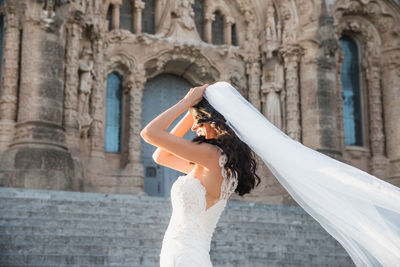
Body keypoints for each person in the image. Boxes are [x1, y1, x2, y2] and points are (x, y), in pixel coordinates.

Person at [140, 84, 261, 266]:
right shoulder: (222, 164)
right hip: (187, 255)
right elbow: (160, 156)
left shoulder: (212, 155)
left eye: (198, 121)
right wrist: (193, 111)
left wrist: (186, 102)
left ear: (213, 121)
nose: (194, 128)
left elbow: (149, 133)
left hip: (185, 257)